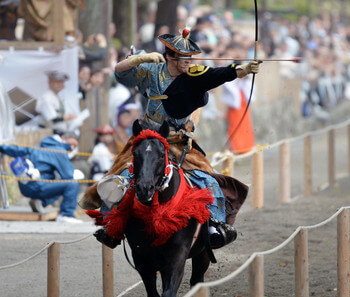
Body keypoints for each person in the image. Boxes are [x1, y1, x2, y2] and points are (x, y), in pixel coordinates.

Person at [80, 27, 260, 249]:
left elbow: (218, 74)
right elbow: (119, 73)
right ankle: (111, 227)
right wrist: (140, 58)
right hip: (148, 138)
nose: (188, 62)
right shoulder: (150, 70)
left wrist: (242, 69)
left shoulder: (194, 75)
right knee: (119, 177)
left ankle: (215, 225)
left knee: (208, 180)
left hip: (179, 142)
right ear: (169, 57)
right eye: (183, 58)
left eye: (189, 58)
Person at [0, 132, 84, 223]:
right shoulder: (59, 151)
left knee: (58, 181)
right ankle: (66, 215)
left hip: (24, 188)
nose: (72, 148)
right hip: (38, 186)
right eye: (72, 144)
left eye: (75, 147)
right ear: (63, 138)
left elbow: (16, 149)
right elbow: (68, 175)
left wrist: (2, 146)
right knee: (72, 184)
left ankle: (39, 201)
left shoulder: (37, 146)